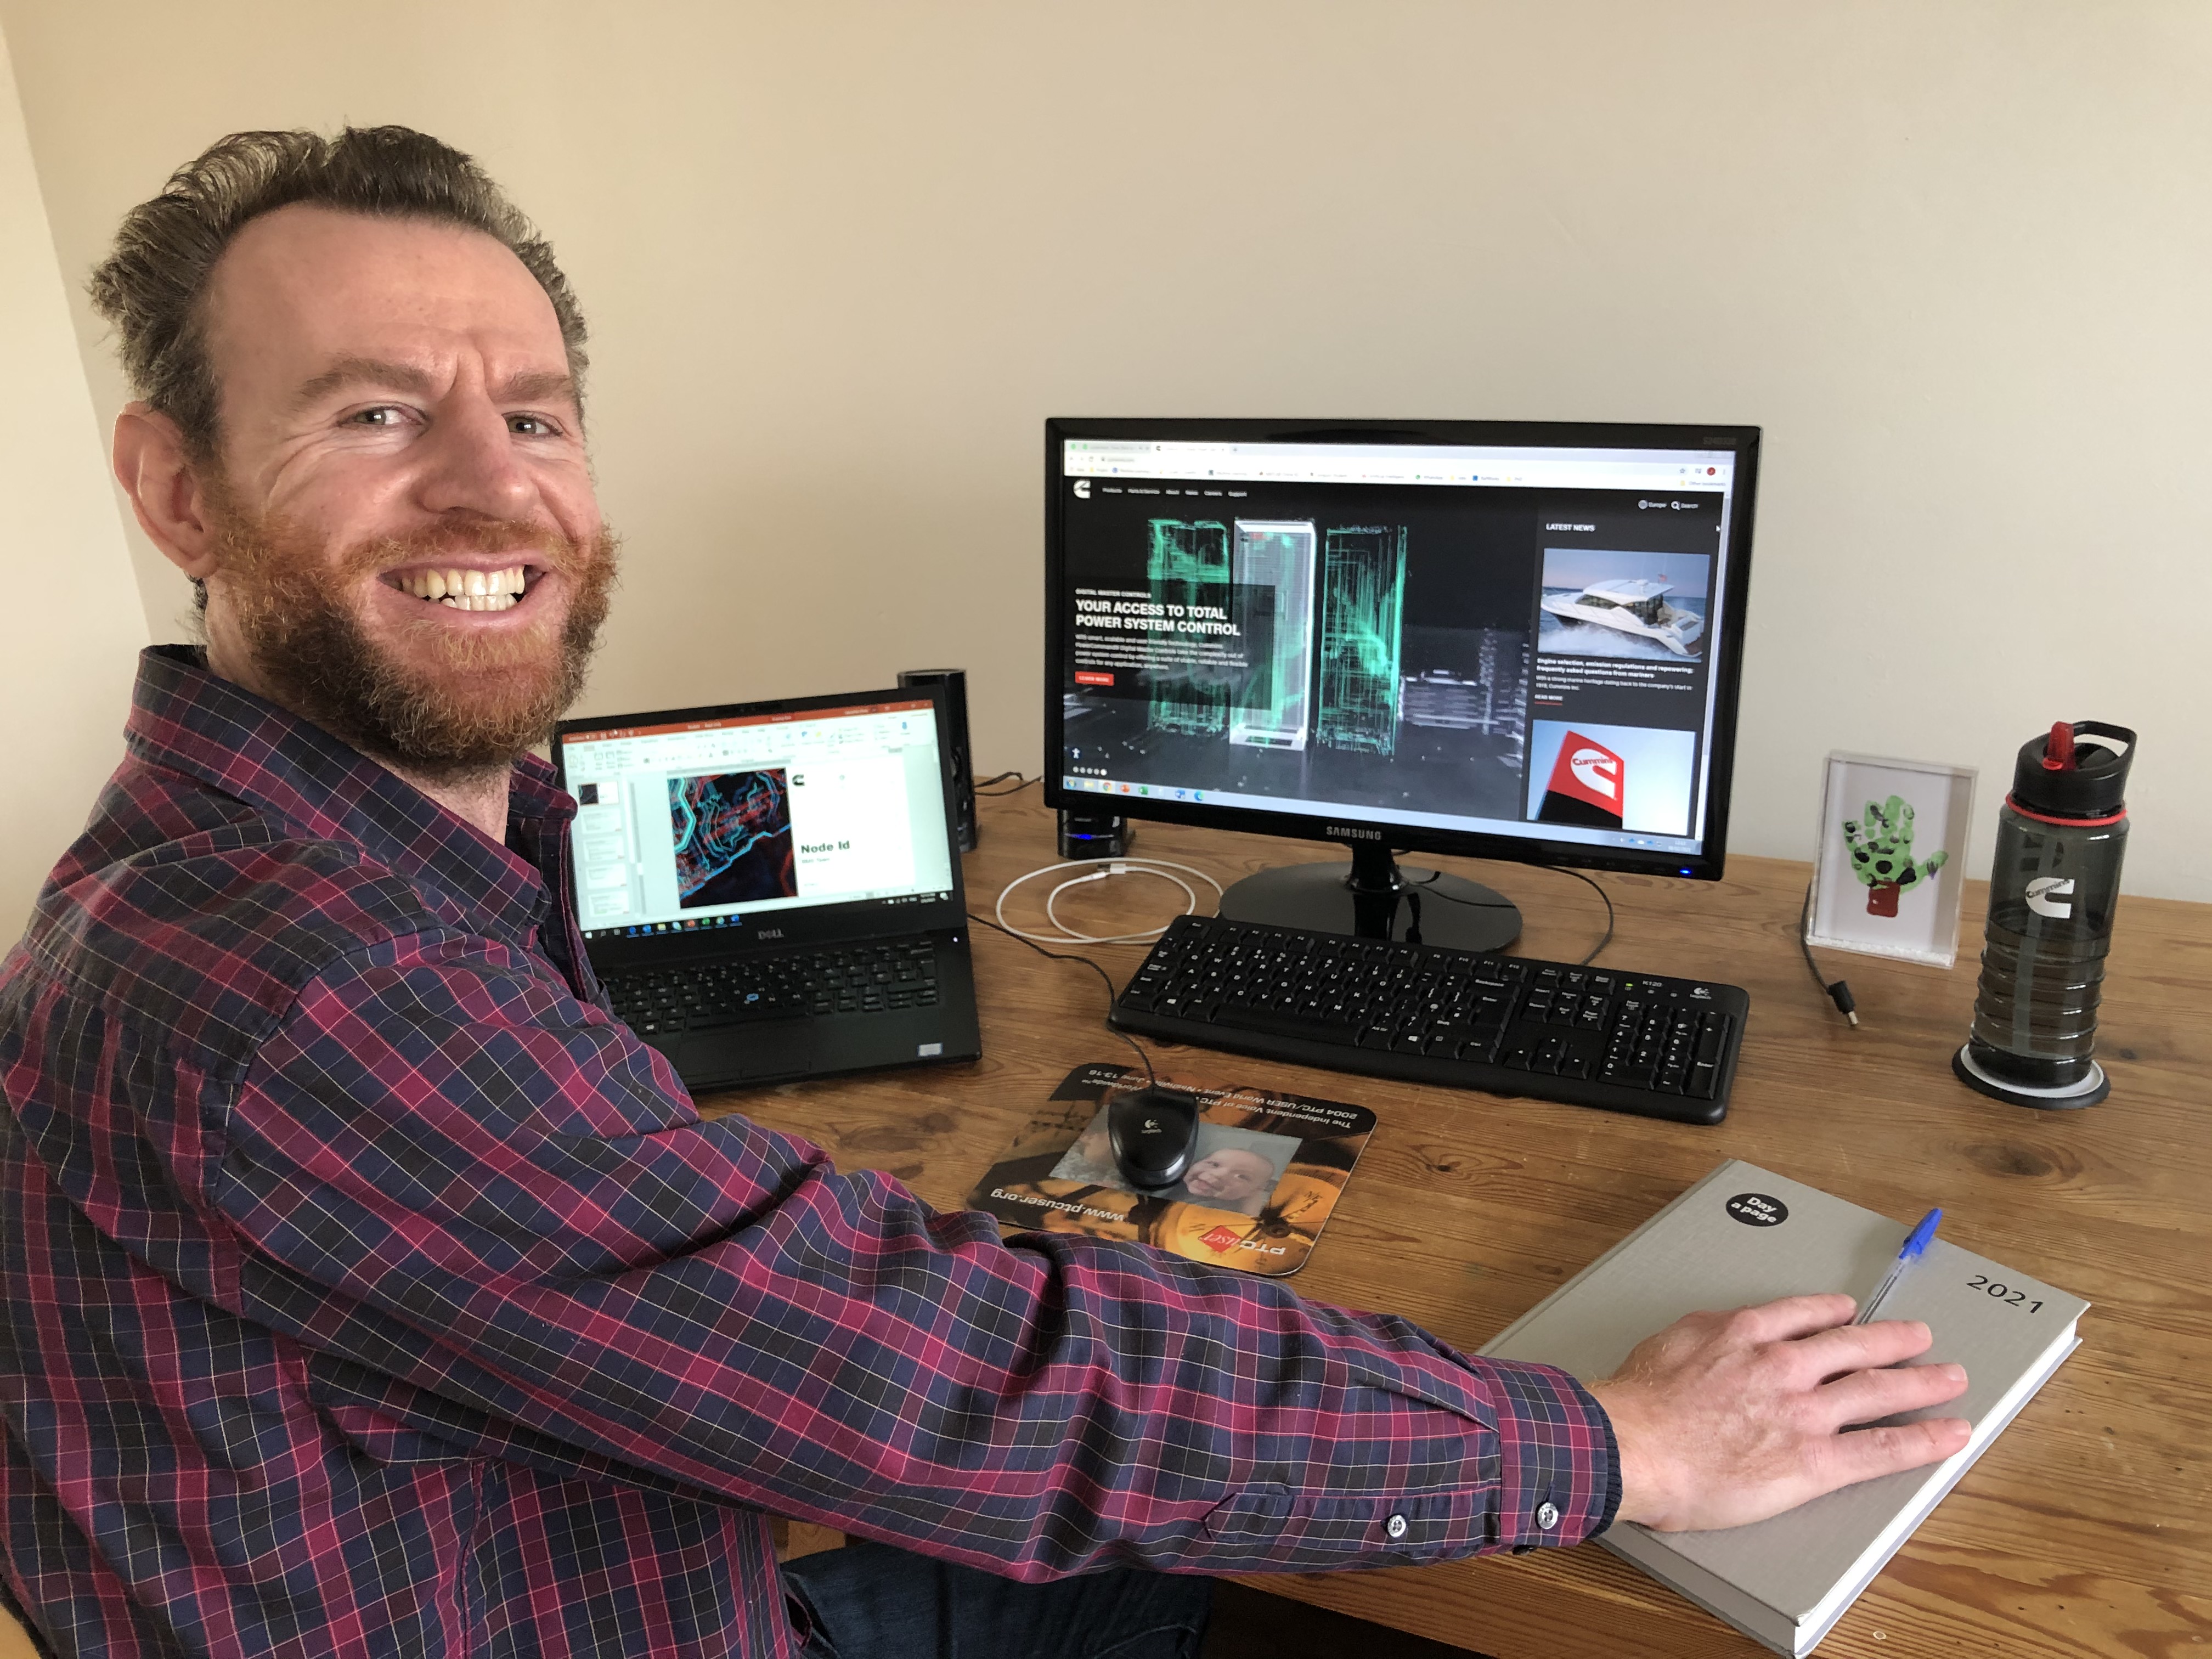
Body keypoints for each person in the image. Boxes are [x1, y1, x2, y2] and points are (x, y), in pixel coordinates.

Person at [0, 126, 1972, 1659]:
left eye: (531, 415)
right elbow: (952, 1383)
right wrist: (1617, 1441)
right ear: (176, 489)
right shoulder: (311, 988)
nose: (488, 481)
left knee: (1153, 1584)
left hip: (620, 1570)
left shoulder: (307, 869)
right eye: (370, 411)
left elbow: (761, 1287)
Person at [1173, 1146, 1279, 1216]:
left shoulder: (1228, 1212)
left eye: (1241, 1176)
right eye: (1215, 1165)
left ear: (1253, 1192)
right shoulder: (1173, 1179)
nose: (1218, 1175)